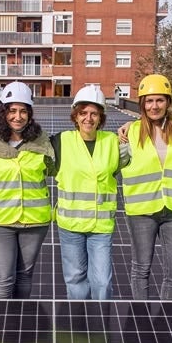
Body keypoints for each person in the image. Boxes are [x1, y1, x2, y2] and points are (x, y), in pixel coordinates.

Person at [0, 81, 55, 299]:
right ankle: (1, 329)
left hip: (35, 221)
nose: (17, 116)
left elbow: (56, 168)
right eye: (12, 110)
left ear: (30, 113)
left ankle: (20, 326)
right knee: (4, 279)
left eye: (23, 111)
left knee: (25, 275)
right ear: (3, 111)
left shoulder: (41, 139)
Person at [51, 85, 125, 300]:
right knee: (75, 279)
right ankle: (79, 326)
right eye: (83, 113)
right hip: (70, 226)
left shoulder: (113, 142)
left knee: (102, 281)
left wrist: (131, 124)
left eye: (94, 113)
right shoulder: (61, 141)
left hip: (100, 226)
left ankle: (99, 324)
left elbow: (142, 144)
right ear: (75, 116)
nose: (88, 118)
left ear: (101, 117)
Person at [118, 74, 172, 300]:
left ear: (168, 102)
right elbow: (115, 164)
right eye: (149, 101)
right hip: (142, 211)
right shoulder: (131, 132)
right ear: (142, 103)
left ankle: (166, 320)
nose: (154, 106)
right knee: (141, 269)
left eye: (159, 100)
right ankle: (142, 319)